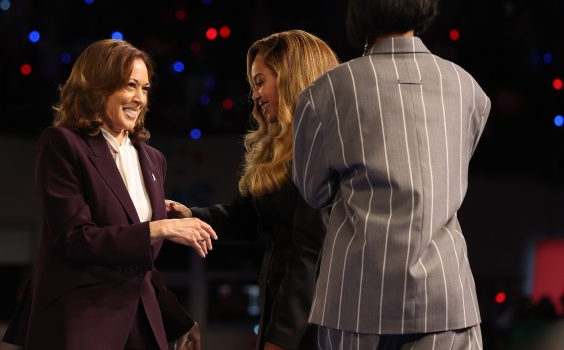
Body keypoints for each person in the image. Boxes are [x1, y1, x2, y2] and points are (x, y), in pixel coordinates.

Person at [291, 0, 491, 348]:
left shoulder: (327, 91)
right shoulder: (467, 87)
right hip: (445, 296)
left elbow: (313, 191)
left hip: (355, 302)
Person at [2, 39, 217, 350]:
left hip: (141, 329)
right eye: (130, 85)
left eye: (145, 88)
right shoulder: (62, 145)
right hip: (81, 322)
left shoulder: (154, 159)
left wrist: (179, 322)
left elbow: (141, 268)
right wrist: (159, 228)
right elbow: (75, 239)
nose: (140, 98)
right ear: (97, 86)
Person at [167, 30, 339, 350]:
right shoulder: (284, 147)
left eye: (260, 82)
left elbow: (310, 257)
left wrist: (280, 340)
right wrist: (190, 215)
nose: (255, 95)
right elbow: (248, 218)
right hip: (285, 314)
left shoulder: (322, 147)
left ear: (291, 78)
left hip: (313, 325)